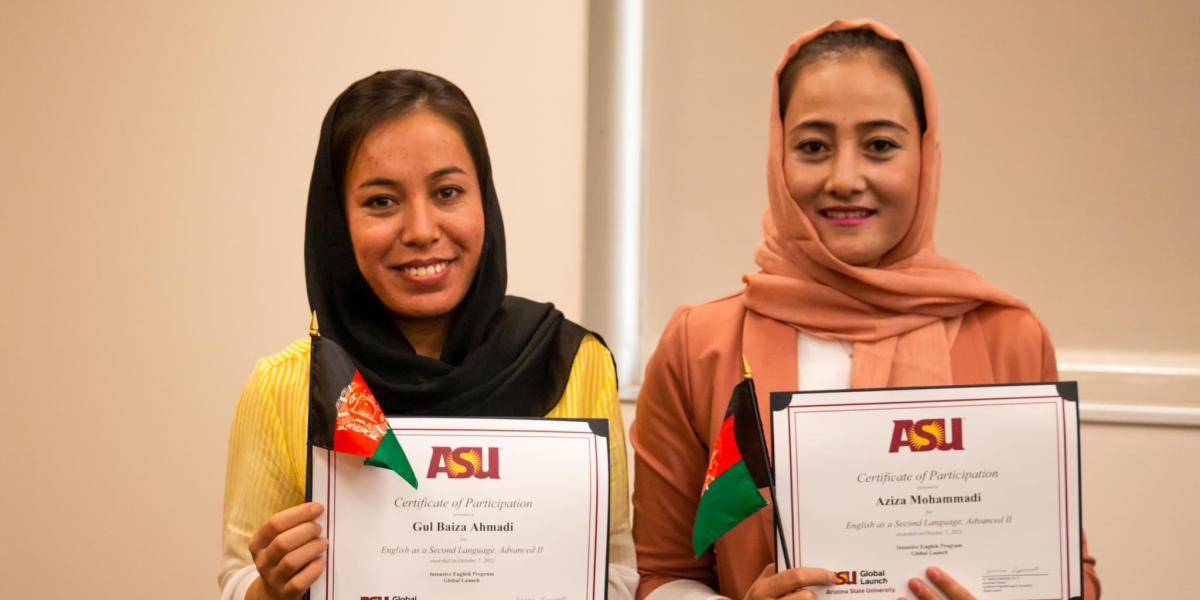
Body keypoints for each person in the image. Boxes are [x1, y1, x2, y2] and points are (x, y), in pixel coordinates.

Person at [630, 19, 1100, 600]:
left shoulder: (1009, 337)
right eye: (812, 147)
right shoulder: (701, 345)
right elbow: (664, 573)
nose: (845, 178)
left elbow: (1069, 574)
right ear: (778, 156)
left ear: (924, 157)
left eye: (880, 145)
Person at [219, 70, 636, 600]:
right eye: (381, 202)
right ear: (335, 221)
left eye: (447, 192)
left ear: (483, 197)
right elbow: (237, 577)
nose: (420, 230)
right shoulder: (287, 386)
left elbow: (618, 572)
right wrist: (268, 590)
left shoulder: (570, 361)